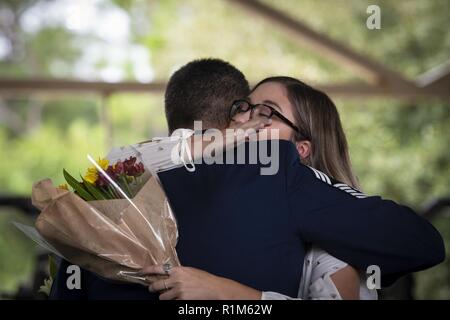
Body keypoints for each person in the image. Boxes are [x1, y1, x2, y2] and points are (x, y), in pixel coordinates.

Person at [50, 59, 444, 300]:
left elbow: (421, 243)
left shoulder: (307, 207)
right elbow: (107, 174)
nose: (244, 120)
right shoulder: (171, 167)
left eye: (264, 112)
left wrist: (234, 296)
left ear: (302, 148)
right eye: (242, 109)